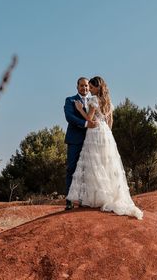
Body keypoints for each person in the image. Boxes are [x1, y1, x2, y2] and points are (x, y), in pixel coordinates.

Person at [66, 76, 143, 220]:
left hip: (94, 133)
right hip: (106, 133)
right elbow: (110, 120)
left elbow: (89, 119)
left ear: (96, 88)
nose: (89, 89)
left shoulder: (94, 100)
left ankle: (96, 198)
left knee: (95, 165)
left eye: (91, 87)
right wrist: (108, 133)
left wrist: (79, 109)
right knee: (105, 163)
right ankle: (106, 195)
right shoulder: (108, 101)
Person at [63, 77, 98, 210]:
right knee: (72, 169)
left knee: (87, 170)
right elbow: (69, 117)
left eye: (86, 86)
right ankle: (69, 200)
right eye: (82, 86)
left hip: (91, 140)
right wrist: (85, 123)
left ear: (89, 88)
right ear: (77, 87)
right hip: (74, 140)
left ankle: (84, 200)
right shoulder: (70, 100)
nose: (84, 88)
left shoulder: (93, 101)